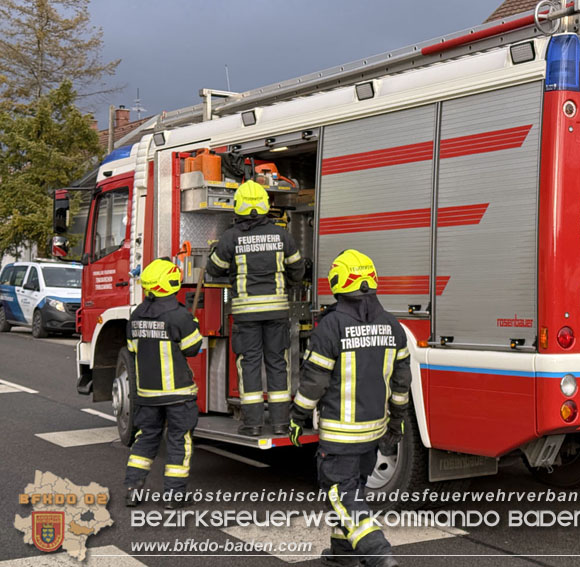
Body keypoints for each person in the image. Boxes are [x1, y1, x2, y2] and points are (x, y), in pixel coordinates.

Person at [289, 249, 410, 567]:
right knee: (353, 490)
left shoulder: (331, 326)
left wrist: (297, 417)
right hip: (373, 433)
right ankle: (343, 553)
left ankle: (378, 552)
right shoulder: (393, 326)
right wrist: (396, 421)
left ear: (338, 282)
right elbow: (401, 384)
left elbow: (314, 382)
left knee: (339, 493)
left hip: (341, 435)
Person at [206, 180, 304, 436]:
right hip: (277, 312)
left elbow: (214, 268)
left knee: (249, 365)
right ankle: (281, 423)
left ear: (238, 206)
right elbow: (298, 269)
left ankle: (252, 424)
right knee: (277, 363)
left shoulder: (231, 237)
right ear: (265, 205)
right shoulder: (282, 235)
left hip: (246, 315)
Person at [124, 259, 203, 508]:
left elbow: (132, 348)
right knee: (179, 441)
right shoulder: (180, 315)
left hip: (147, 394)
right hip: (178, 394)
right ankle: (173, 497)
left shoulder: (136, 314)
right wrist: (194, 327)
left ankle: (133, 491)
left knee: (145, 438)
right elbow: (192, 349)